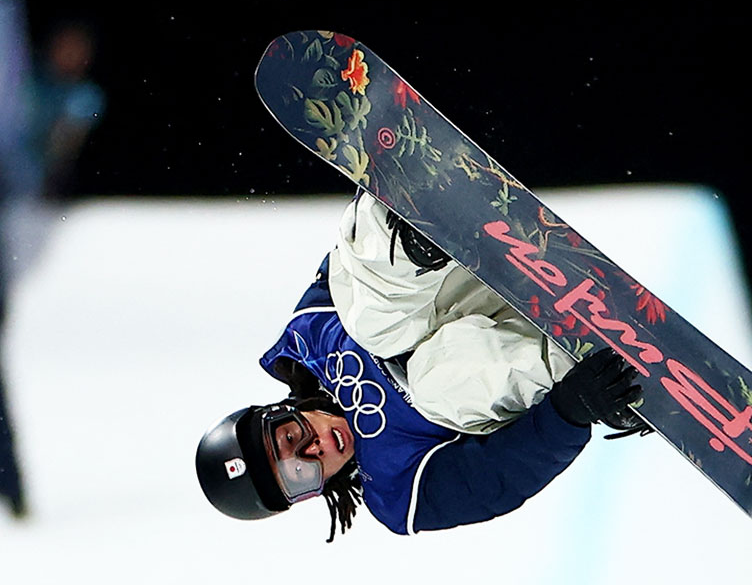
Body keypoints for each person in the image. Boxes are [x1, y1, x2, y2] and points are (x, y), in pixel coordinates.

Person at [196, 191, 650, 541]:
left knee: (370, 323)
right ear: (313, 493)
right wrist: (570, 411)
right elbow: (495, 476)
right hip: (530, 344)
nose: (315, 450)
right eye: (301, 474)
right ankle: (582, 360)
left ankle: (412, 217)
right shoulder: (398, 490)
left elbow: (347, 265)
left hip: (468, 264)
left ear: (281, 411)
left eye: (291, 438)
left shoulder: (308, 334)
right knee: (435, 386)